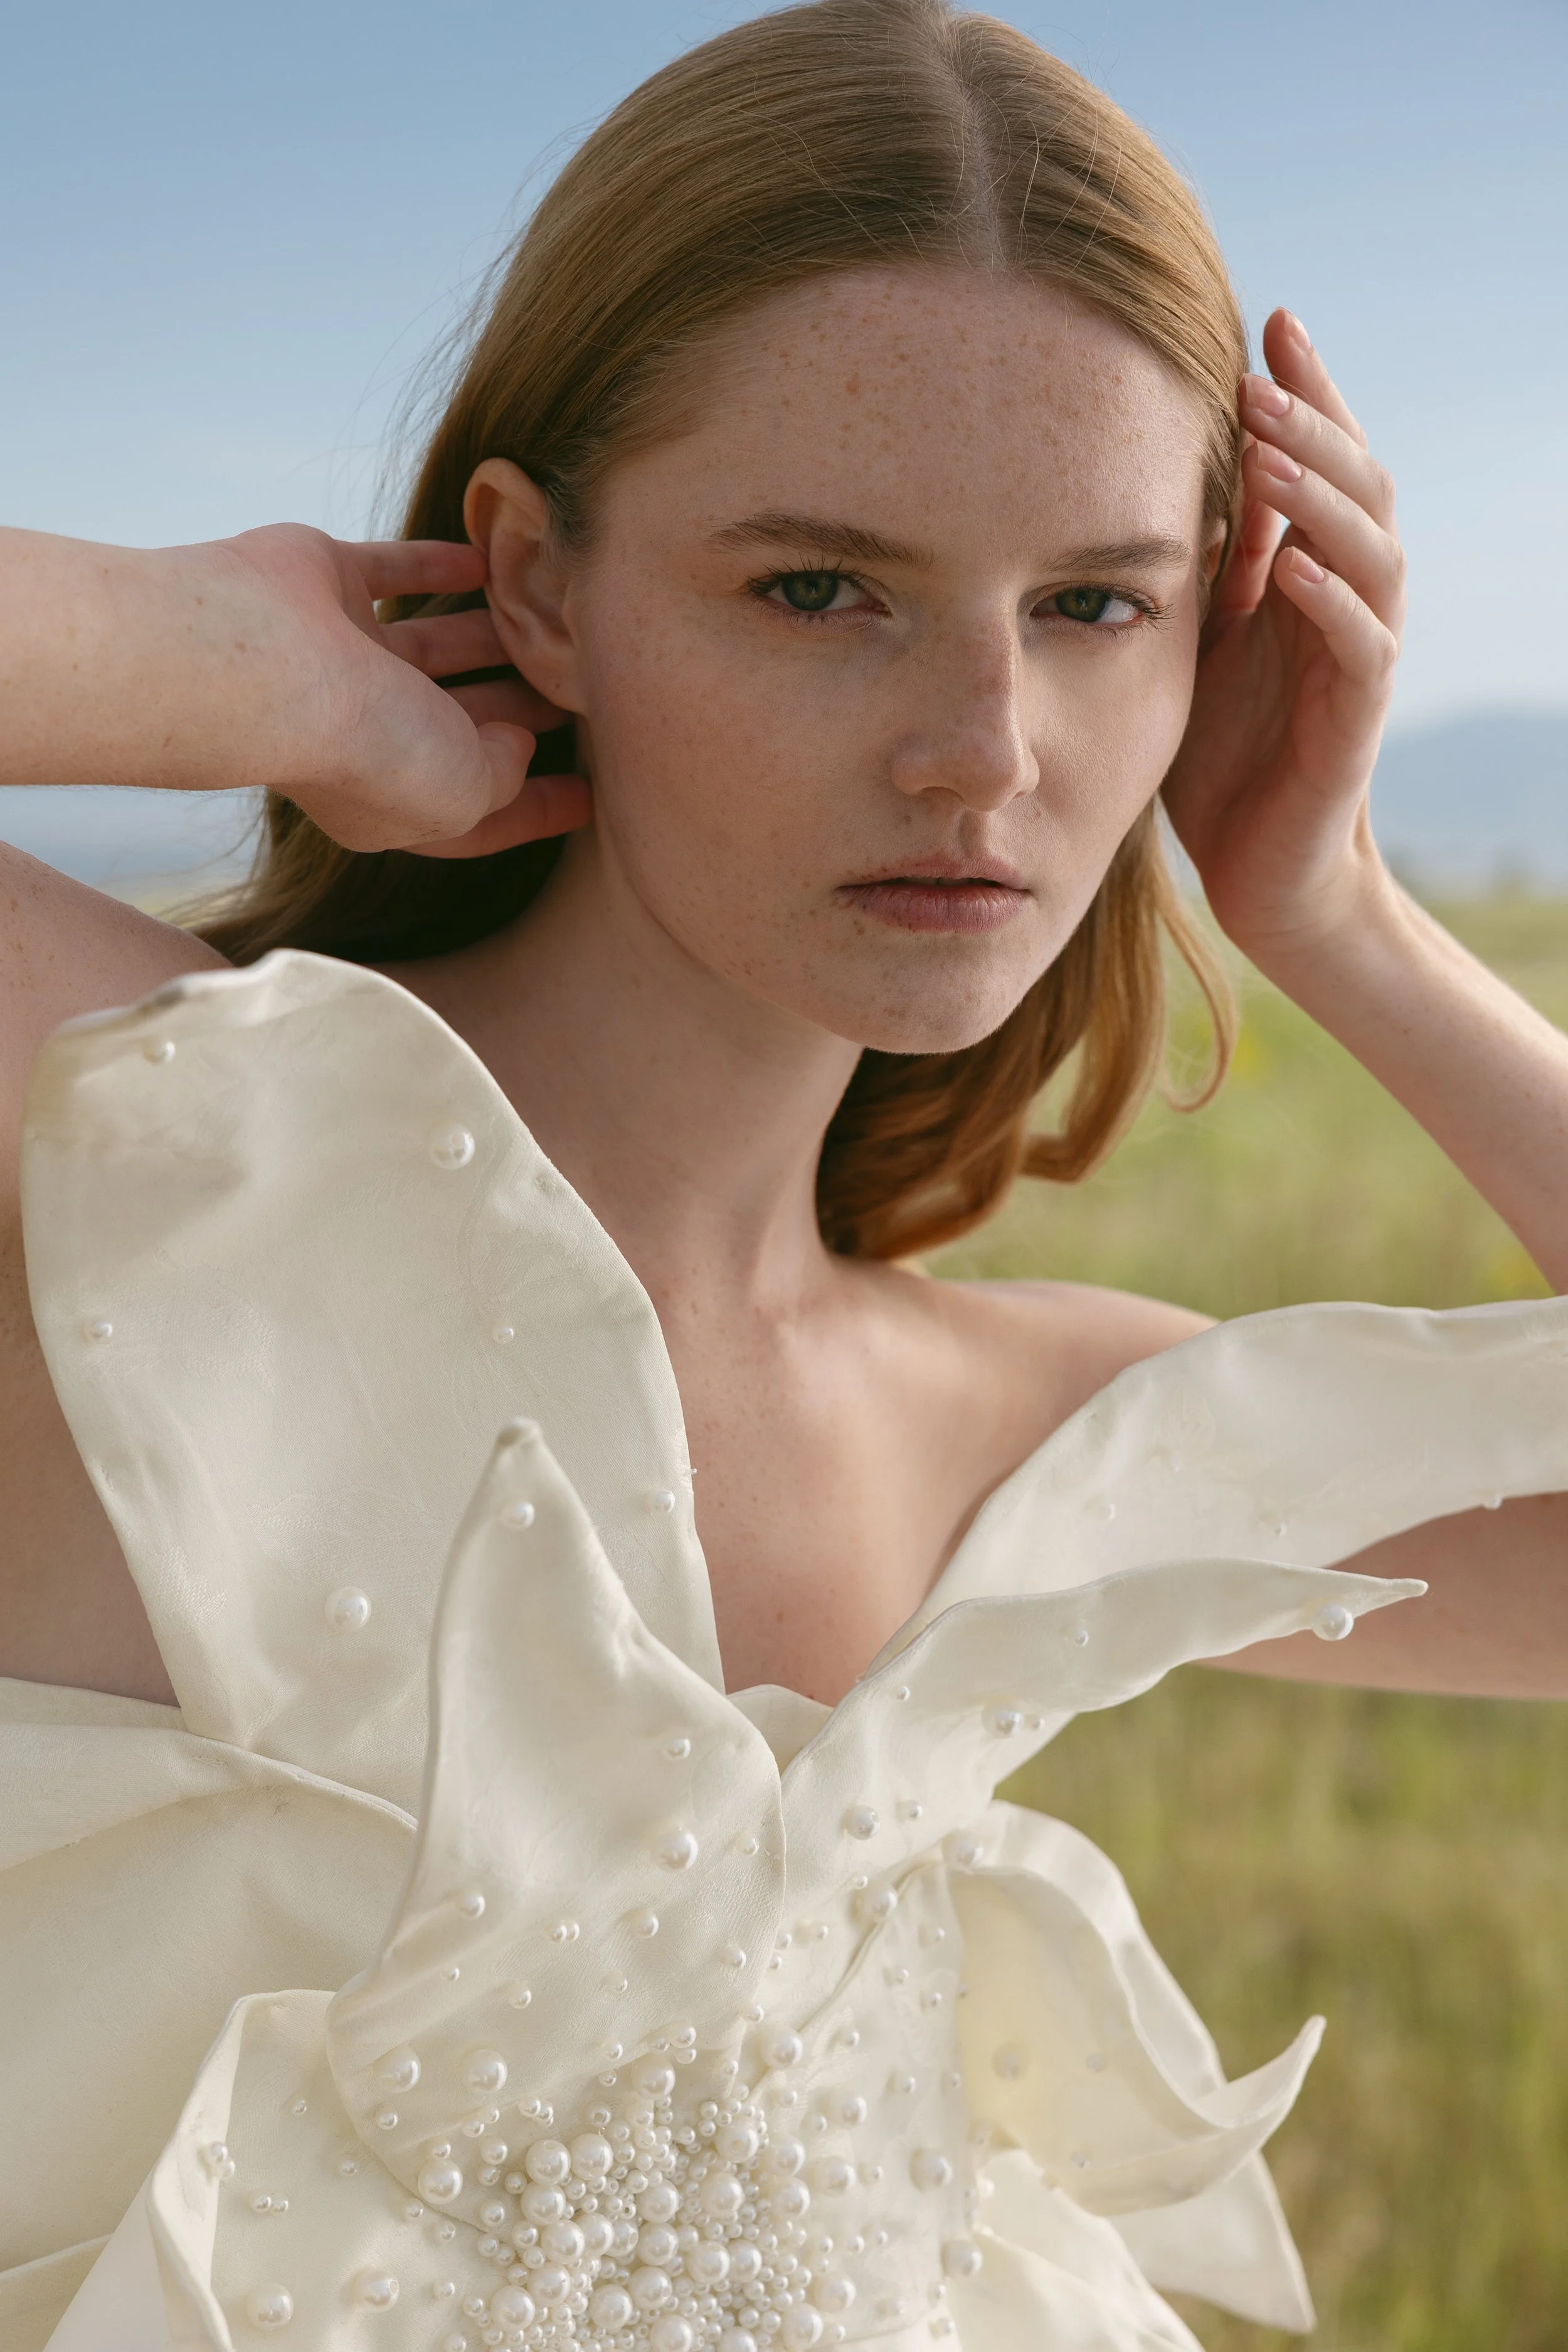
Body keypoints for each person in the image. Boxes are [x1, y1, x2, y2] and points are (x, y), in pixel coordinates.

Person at [4, 1, 1567, 2345]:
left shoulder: (1010, 1428)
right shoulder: (129, 1134)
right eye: (819, 588)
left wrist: (1332, 910)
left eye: (1093, 603)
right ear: (539, 582)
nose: (982, 752)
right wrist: (214, 663)